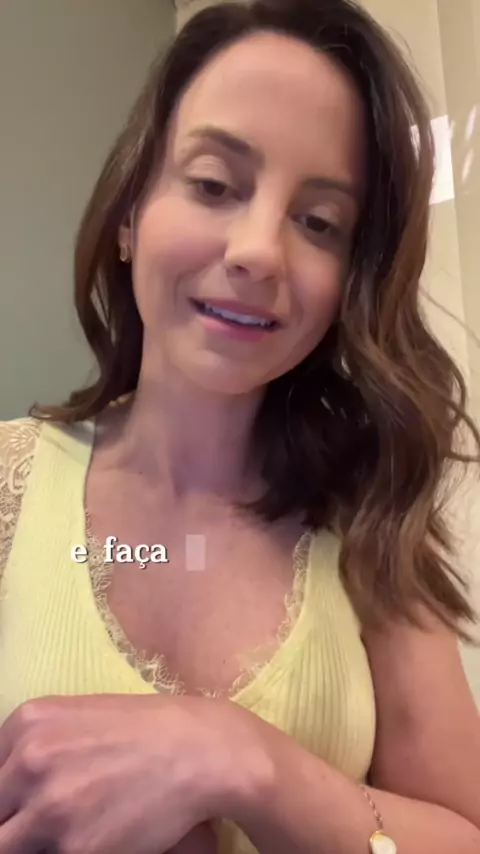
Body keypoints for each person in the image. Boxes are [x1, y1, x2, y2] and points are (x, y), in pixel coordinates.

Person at [0, 0, 479, 851]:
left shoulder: (371, 519)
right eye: (214, 185)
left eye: (319, 223)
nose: (259, 251)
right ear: (129, 215)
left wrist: (241, 761)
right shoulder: (10, 484)